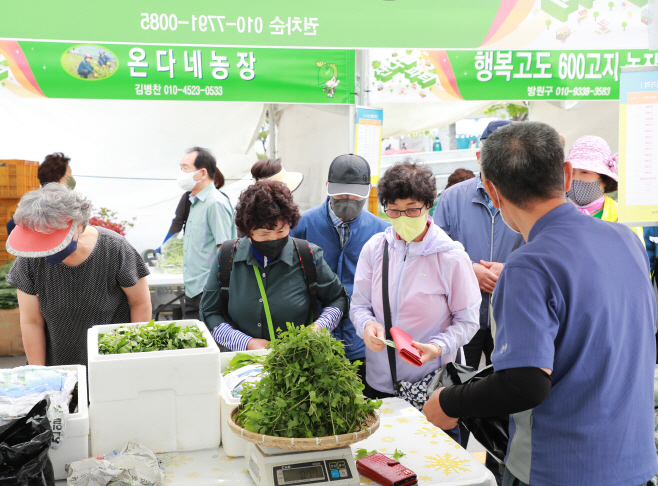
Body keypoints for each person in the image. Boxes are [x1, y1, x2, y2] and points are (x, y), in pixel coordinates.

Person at [424, 121, 658, 486]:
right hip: (635, 462)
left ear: (491, 189)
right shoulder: (627, 240)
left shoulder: (528, 265)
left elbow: (525, 384)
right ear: (566, 175)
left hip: (559, 468)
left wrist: (449, 402)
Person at [350, 160, 481, 443]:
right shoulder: (375, 248)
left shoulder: (450, 256)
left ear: (428, 206)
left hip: (431, 385)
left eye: (412, 209)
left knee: (436, 464)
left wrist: (437, 347)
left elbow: (468, 320)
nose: (403, 218)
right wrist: (367, 325)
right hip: (379, 383)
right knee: (383, 459)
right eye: (394, 210)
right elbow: (359, 304)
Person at [5, 184, 152, 367]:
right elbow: (31, 321)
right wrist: (39, 372)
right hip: (58, 362)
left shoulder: (115, 249)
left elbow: (140, 303)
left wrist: (135, 355)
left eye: (53, 239)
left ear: (79, 224)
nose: (47, 247)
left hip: (111, 359)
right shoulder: (30, 258)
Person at [200, 180, 349, 350]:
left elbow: (338, 299)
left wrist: (318, 328)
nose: (273, 239)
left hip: (297, 362)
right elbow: (209, 312)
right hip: (241, 362)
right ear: (248, 231)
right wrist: (245, 343)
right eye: (264, 234)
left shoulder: (308, 255)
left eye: (281, 231)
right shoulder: (227, 256)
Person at [435, 120, 524, 371]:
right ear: (478, 155)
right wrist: (468, 269)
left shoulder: (526, 199)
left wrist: (508, 269)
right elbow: (435, 252)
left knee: (506, 388)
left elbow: (540, 248)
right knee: (461, 384)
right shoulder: (453, 197)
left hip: (510, 314)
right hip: (463, 315)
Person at [291, 154, 390, 380]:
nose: (348, 199)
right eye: (341, 193)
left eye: (355, 195)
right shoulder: (301, 226)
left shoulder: (382, 232)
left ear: (367, 191)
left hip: (363, 342)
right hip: (313, 338)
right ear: (327, 187)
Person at [178, 147, 236, 319]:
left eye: (185, 168)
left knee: (210, 342)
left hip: (208, 290)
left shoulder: (215, 203)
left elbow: (225, 249)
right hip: (193, 289)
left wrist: (214, 289)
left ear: (202, 173)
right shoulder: (195, 202)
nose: (181, 173)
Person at [566, 135, 644, 242]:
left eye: (585, 172)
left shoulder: (622, 217)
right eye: (571, 172)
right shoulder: (558, 214)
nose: (575, 178)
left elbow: (637, 256)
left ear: (604, 180)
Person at [7, 152, 76, 236]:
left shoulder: (30, 202)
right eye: (69, 174)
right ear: (59, 177)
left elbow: (11, 226)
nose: (71, 178)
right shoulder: (64, 204)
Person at [161, 168, 225, 249]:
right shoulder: (188, 198)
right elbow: (177, 222)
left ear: (217, 183)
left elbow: (223, 229)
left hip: (211, 247)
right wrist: (165, 245)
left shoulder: (220, 200)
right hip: (190, 246)